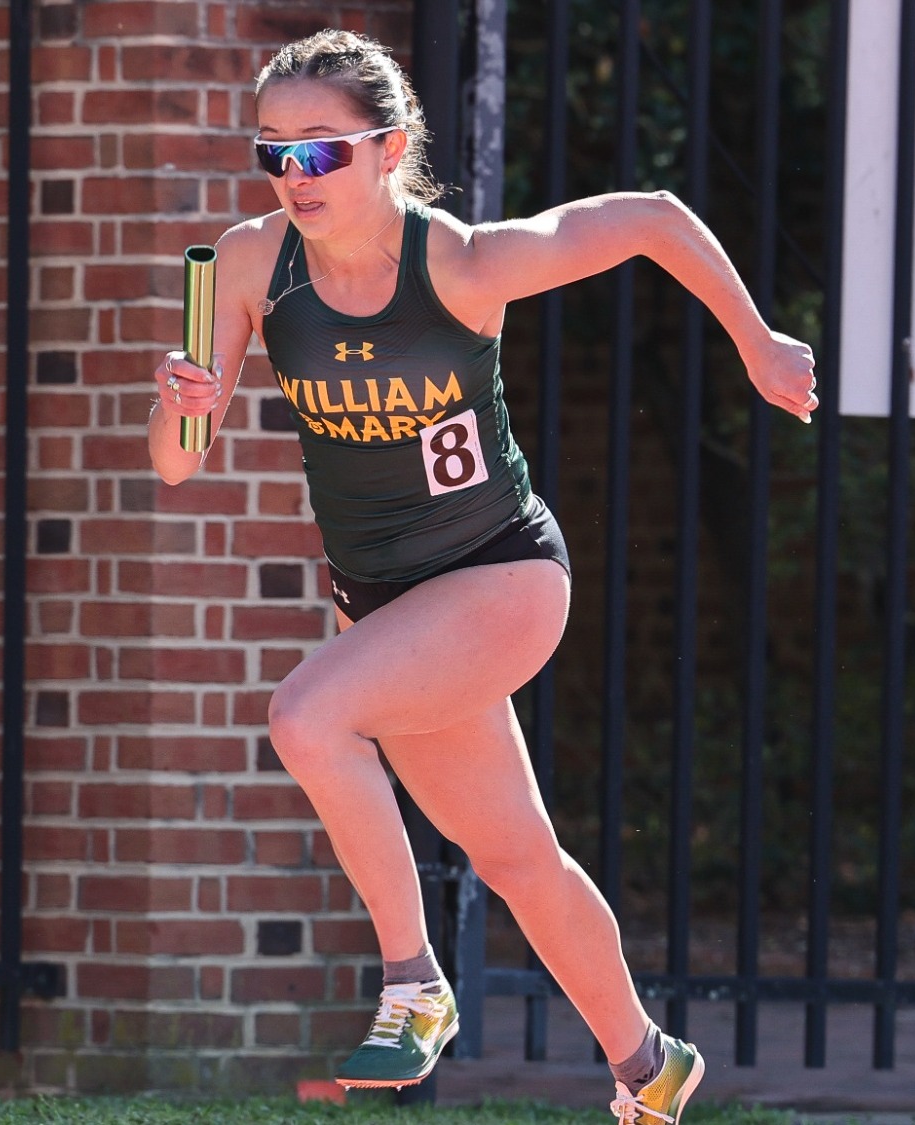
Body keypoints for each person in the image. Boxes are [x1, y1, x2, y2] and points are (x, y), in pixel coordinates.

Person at [146, 28, 816, 1124]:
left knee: (307, 716)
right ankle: (648, 1064)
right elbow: (177, 467)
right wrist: (179, 405)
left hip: (498, 577)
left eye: (320, 153)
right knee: (516, 858)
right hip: (386, 605)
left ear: (388, 146)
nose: (292, 178)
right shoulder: (241, 264)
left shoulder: (456, 261)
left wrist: (753, 343)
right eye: (272, 154)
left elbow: (646, 215)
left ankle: (412, 983)